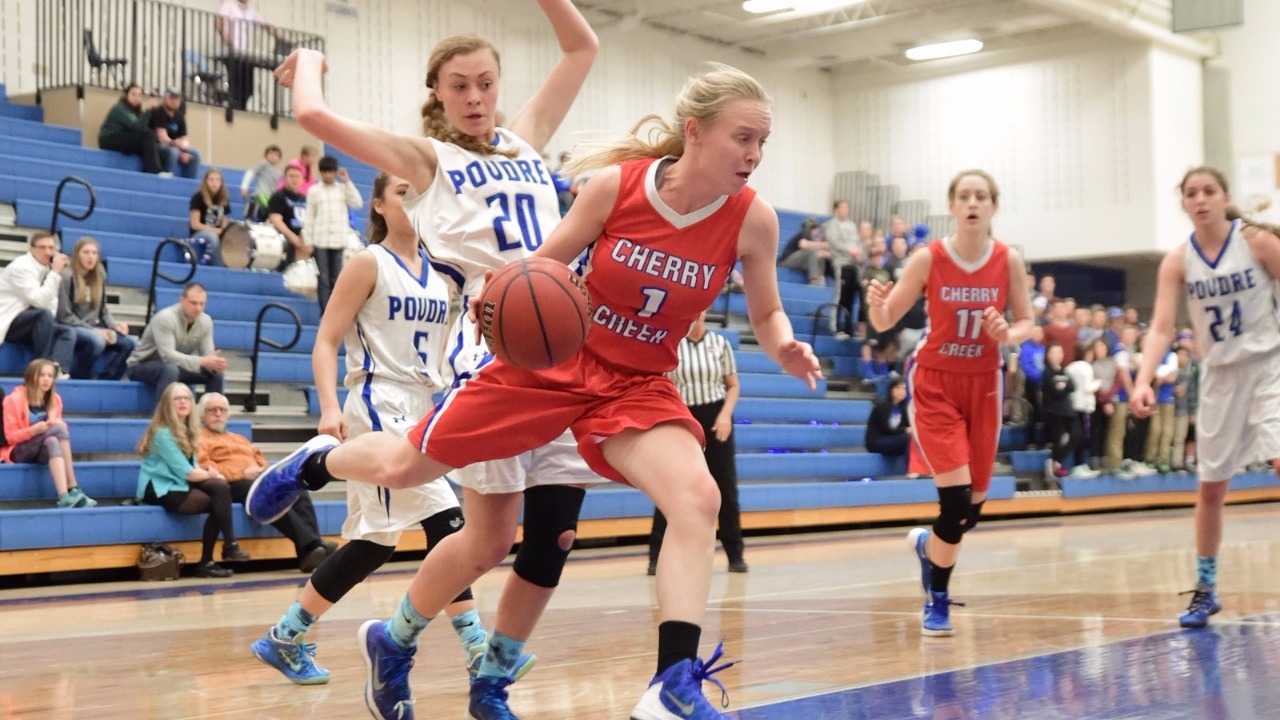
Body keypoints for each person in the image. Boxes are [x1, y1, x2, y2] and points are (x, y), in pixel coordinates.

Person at [250, 61, 820, 720]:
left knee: (696, 499)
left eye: (762, 142)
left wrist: (782, 344)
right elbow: (547, 260)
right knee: (411, 470)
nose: (754, 155)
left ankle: (671, 682)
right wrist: (496, 298)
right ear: (695, 132)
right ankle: (315, 461)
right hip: (553, 363)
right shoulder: (615, 186)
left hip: (635, 384)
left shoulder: (755, 221)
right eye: (742, 137)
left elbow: (767, 311)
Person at [267, 10, 600, 719]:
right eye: (460, 86)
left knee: (556, 536)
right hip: (493, 342)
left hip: (562, 344)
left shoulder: (524, 141)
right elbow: (316, 117)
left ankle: (489, 685)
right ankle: (394, 634)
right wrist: (310, 63)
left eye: (485, 82)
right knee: (484, 539)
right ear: (439, 93)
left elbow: (582, 46)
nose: (476, 96)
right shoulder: (428, 159)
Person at [249, 172, 533, 688]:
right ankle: (478, 649)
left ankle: (285, 636)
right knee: (447, 518)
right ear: (378, 203)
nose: (414, 201)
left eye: (419, 193)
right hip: (376, 400)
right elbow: (326, 339)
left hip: (424, 401)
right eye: (403, 192)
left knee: (373, 544)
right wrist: (329, 406)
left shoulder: (441, 273)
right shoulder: (367, 262)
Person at [866, 168, 1034, 637]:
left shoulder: (1008, 260)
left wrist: (1008, 333)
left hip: (984, 383)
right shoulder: (929, 258)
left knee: (969, 513)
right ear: (953, 206)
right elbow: (885, 320)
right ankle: (937, 600)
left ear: (993, 206)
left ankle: (927, 548)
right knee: (955, 500)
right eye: (964, 196)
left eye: (981, 196)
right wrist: (877, 302)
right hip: (936, 382)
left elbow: (1027, 322)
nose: (973, 203)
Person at [1129, 166, 1280, 629]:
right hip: (1218, 376)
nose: (1200, 199)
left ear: (1224, 196)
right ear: (1183, 204)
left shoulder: (1256, 242)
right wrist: (1142, 379)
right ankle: (1205, 588)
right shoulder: (1177, 261)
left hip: (1269, 366)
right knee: (1211, 488)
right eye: (1191, 193)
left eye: (1208, 191)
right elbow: (1160, 327)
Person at [648, 310, 747, 576]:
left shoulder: (720, 344)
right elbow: (661, 384)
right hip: (682, 415)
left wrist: (725, 415)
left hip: (716, 417)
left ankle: (735, 554)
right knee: (669, 485)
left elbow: (733, 385)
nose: (698, 314)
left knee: (725, 485)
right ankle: (656, 556)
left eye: (702, 310)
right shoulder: (672, 344)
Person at [196, 393, 333, 573]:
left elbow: (260, 459)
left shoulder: (239, 438)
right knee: (268, 494)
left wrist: (265, 472)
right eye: (213, 410)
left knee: (297, 488)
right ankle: (315, 544)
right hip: (232, 484)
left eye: (222, 410)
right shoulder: (199, 437)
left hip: (257, 478)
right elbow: (206, 467)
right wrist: (242, 473)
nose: (219, 414)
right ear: (202, 415)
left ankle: (308, 554)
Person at [137, 382, 249, 578]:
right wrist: (212, 475)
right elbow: (187, 472)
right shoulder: (162, 433)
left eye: (187, 398)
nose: (183, 402)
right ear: (167, 404)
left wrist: (215, 475)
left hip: (178, 483)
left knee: (220, 488)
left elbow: (194, 466)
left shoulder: (188, 429)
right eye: (177, 398)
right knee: (218, 495)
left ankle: (217, 554)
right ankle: (221, 551)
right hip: (160, 487)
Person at [0, 359, 95, 508]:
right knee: (59, 430)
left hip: (44, 448)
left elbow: (57, 427)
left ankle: (64, 496)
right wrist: (34, 430)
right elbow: (10, 437)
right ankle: (73, 487)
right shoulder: (13, 400)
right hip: (17, 451)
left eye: (50, 376)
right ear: (31, 377)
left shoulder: (55, 400)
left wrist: (50, 426)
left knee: (52, 441)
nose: (46, 379)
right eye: (42, 375)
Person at [56, 236, 136, 380]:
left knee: (131, 343)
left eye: (94, 253)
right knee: (96, 341)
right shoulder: (67, 277)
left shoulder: (99, 276)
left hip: (95, 327)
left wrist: (115, 326)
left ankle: (108, 379)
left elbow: (103, 310)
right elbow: (64, 315)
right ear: (77, 254)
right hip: (71, 326)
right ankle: (81, 377)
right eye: (86, 252)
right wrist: (94, 330)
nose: (90, 257)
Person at [126, 283, 226, 395]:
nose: (198, 308)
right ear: (182, 300)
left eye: (202, 304)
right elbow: (168, 356)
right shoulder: (165, 318)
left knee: (216, 374)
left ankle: (212, 409)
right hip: (141, 365)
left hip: (177, 366)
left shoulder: (206, 321)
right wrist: (202, 361)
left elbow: (207, 354)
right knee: (170, 370)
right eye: (193, 303)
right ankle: (164, 412)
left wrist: (214, 363)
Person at [0, 232, 75, 372]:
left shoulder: (47, 269)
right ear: (31, 249)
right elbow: (40, 301)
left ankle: (58, 371)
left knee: (67, 333)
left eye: (51, 248)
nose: (47, 252)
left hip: (30, 319)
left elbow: (51, 304)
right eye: (42, 247)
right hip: (8, 320)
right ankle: (40, 369)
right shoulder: (21, 267)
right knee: (43, 315)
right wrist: (55, 273)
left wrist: (54, 273)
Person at [304, 156, 363, 312]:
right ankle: (325, 312)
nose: (328, 175)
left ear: (335, 172)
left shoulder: (343, 189)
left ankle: (335, 311)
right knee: (323, 279)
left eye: (330, 172)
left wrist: (347, 181)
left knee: (336, 278)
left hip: (338, 240)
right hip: (320, 240)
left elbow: (357, 203)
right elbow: (309, 216)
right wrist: (308, 240)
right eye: (324, 172)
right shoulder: (314, 191)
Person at [216, 0, 276, 111]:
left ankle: (242, 107)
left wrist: (277, 35)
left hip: (244, 53)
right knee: (235, 83)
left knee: (248, 86)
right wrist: (226, 39)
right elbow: (219, 22)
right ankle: (234, 107)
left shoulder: (250, 10)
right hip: (231, 51)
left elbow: (263, 24)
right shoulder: (228, 5)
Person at [97, 84, 164, 175]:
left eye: (139, 95)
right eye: (133, 94)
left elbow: (142, 127)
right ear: (126, 95)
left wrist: (151, 111)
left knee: (157, 147)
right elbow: (135, 125)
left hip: (122, 137)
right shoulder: (119, 108)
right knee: (148, 135)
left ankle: (149, 172)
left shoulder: (136, 111)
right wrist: (147, 110)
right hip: (109, 138)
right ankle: (155, 171)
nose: (136, 97)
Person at [148, 87, 200, 179]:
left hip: (174, 146)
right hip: (157, 146)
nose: (174, 101)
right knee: (173, 153)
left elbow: (184, 139)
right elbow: (162, 137)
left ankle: (189, 185)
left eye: (177, 98)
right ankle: (168, 181)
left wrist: (184, 151)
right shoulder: (159, 112)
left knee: (195, 154)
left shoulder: (179, 116)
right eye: (171, 98)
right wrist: (178, 147)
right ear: (165, 99)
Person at [266, 165, 310, 269]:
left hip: (303, 235)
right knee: (289, 244)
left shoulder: (306, 199)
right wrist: (292, 237)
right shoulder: (278, 196)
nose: (294, 179)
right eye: (291, 176)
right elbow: (276, 219)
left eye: (297, 176)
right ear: (285, 179)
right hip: (285, 235)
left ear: (302, 180)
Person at [189, 169, 232, 266]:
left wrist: (225, 232)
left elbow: (224, 222)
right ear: (206, 181)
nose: (214, 183)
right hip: (199, 233)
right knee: (212, 237)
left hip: (217, 232)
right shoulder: (198, 197)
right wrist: (214, 231)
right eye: (211, 180)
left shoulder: (224, 199)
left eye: (217, 180)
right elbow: (194, 224)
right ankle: (220, 268)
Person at [865, 378, 911, 459]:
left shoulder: (903, 408)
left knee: (915, 439)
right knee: (907, 439)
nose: (902, 391)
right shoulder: (882, 406)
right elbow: (887, 429)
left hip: (894, 439)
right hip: (878, 441)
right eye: (898, 388)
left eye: (904, 389)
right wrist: (905, 430)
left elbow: (908, 425)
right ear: (891, 390)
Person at [777, 217, 830, 286]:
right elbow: (803, 244)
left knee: (819, 257)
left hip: (796, 260)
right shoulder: (804, 232)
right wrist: (824, 245)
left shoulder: (810, 238)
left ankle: (820, 279)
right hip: (786, 261)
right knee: (813, 252)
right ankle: (815, 280)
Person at [241, 144, 284, 221]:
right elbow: (250, 173)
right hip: (261, 193)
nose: (273, 156)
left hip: (270, 197)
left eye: (276, 155)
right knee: (263, 205)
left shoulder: (278, 172)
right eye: (270, 154)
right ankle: (248, 219)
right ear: (265, 156)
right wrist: (244, 187)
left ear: (279, 158)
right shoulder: (264, 164)